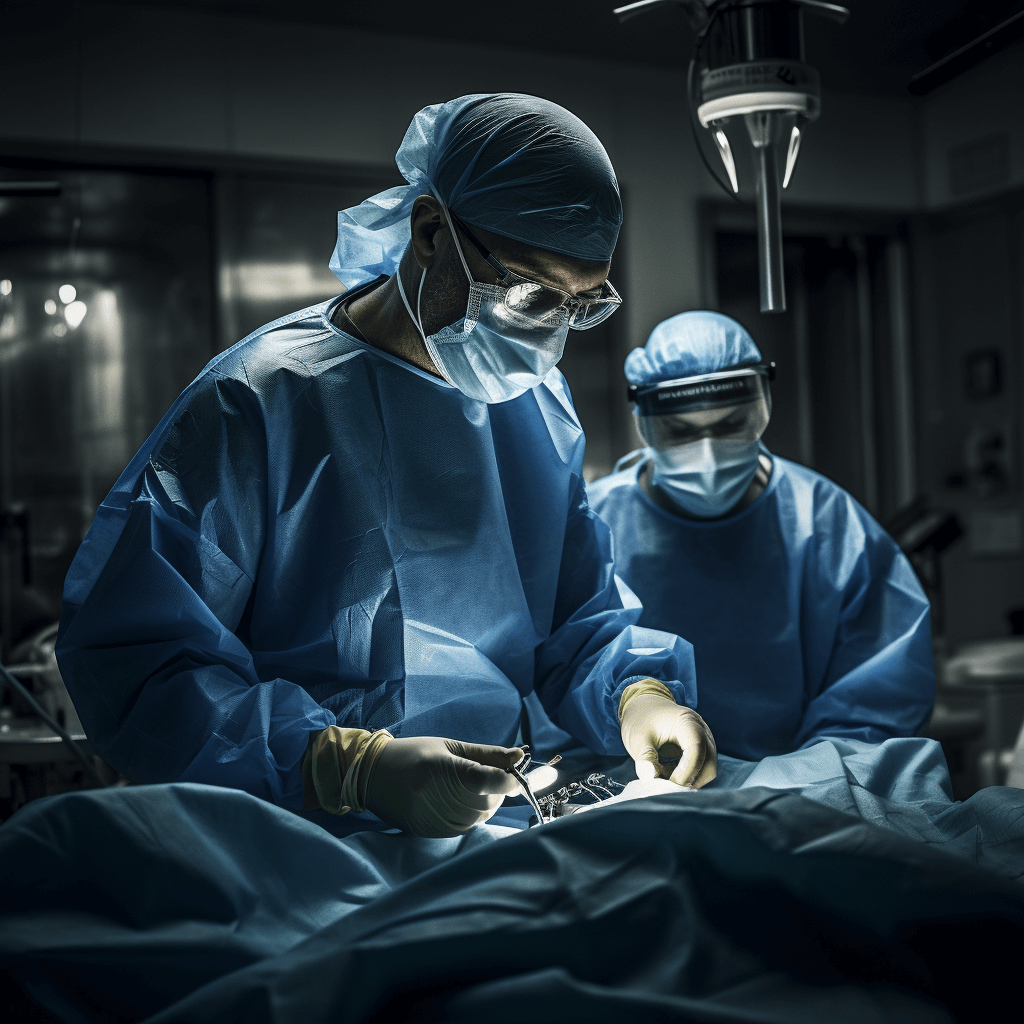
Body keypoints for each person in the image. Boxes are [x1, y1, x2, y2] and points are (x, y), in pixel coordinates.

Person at [56, 95, 717, 839]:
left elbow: (576, 619)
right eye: (532, 296)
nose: (551, 337)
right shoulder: (259, 401)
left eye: (580, 304)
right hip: (294, 843)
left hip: (489, 832)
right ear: (432, 231)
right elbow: (139, 667)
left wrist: (640, 696)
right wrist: (347, 767)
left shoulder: (533, 406)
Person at [588, 310, 934, 761]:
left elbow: (876, 702)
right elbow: (565, 674)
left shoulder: (824, 522)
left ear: (762, 404)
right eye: (680, 432)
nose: (708, 453)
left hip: (798, 793)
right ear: (642, 419)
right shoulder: (594, 524)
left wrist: (793, 788)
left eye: (730, 426)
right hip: (634, 783)